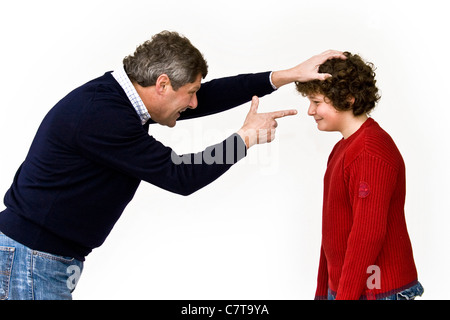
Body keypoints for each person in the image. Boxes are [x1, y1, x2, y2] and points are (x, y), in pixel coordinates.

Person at [0, 30, 344, 300]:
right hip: (32, 258)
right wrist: (245, 139)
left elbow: (209, 96)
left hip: (39, 256)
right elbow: (180, 175)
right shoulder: (102, 116)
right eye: (189, 92)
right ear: (162, 84)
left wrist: (286, 75)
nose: (194, 103)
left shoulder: (121, 97)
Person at [295, 52, 424, 300]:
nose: (310, 111)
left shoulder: (369, 151)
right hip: (350, 290)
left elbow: (368, 235)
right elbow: (333, 234)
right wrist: (324, 293)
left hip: (378, 291)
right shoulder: (343, 148)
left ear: (348, 99)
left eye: (316, 102)